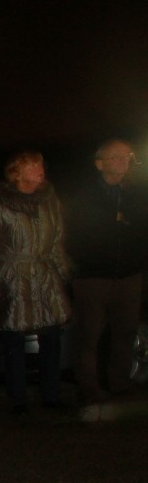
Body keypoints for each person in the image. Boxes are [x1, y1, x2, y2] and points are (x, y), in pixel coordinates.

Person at [0, 151, 71, 413]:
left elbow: (56, 243)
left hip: (44, 276)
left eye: (41, 165)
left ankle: (51, 395)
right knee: (13, 341)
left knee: (51, 337)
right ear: (17, 173)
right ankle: (18, 399)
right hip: (14, 279)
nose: (40, 170)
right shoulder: (1, 206)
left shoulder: (49, 202)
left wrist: (64, 276)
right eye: (32, 166)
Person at [65, 139, 147, 415]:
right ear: (100, 164)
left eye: (127, 156)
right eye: (117, 156)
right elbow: (73, 234)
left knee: (126, 330)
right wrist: (83, 261)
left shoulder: (135, 194)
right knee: (90, 334)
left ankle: (119, 383)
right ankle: (89, 388)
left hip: (129, 275)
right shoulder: (84, 196)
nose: (124, 161)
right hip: (93, 276)